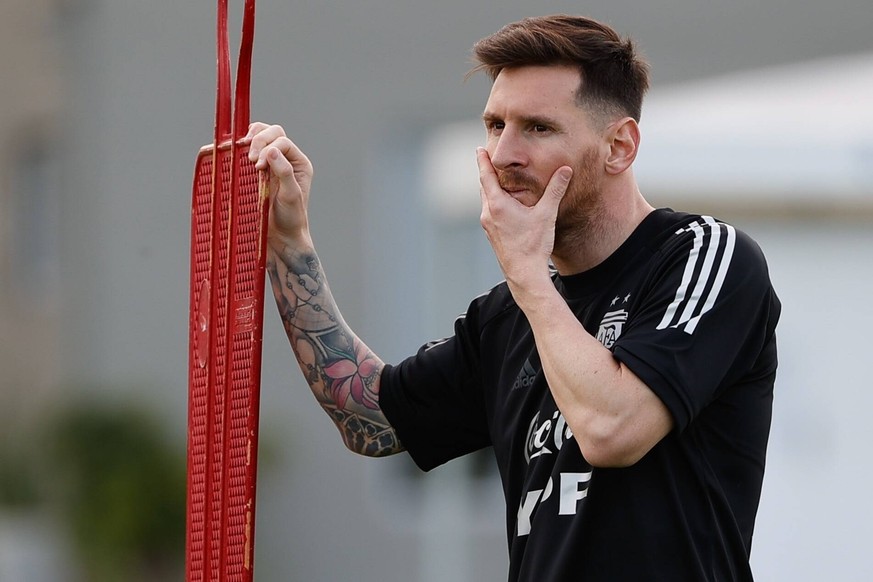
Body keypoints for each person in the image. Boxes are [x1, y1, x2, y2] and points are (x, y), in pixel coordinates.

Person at [244, 14, 781, 582]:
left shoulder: (702, 257)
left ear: (619, 147)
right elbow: (369, 419)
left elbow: (612, 429)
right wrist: (288, 243)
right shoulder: (509, 315)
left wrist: (527, 273)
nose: (504, 155)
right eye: (495, 125)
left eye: (538, 128)